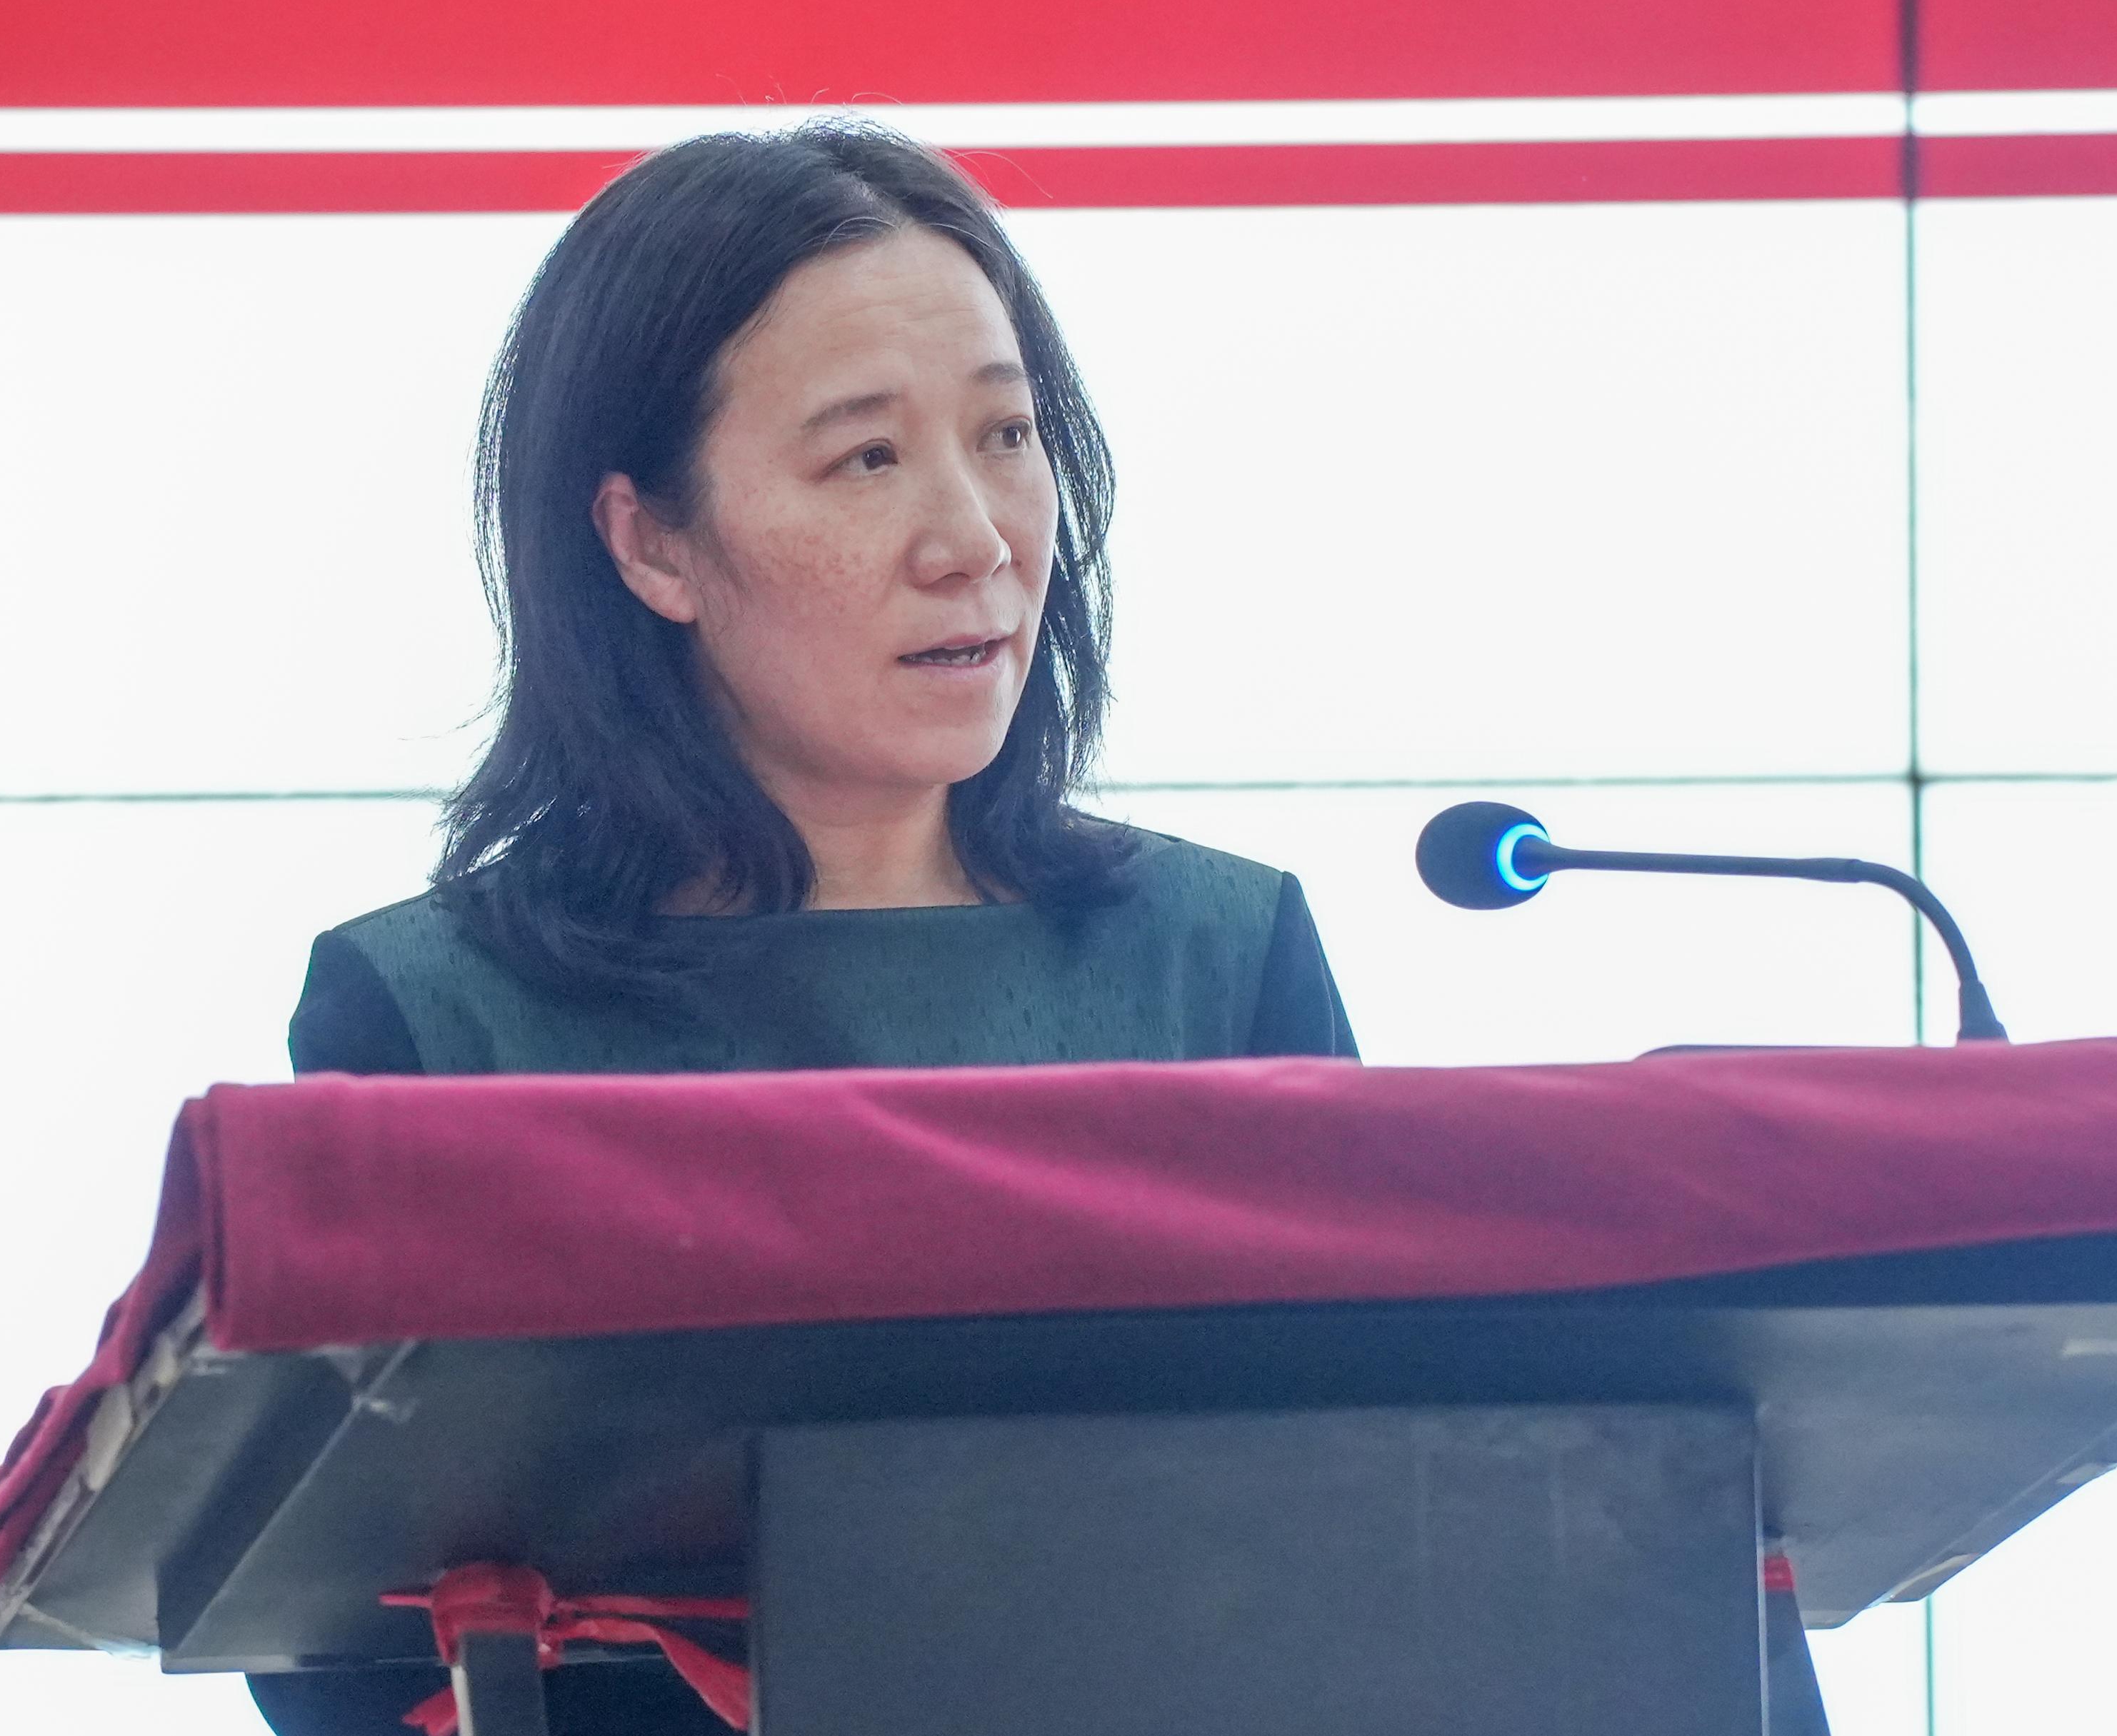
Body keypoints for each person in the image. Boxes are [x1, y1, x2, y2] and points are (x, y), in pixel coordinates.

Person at [250, 119, 1354, 1736]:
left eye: (1007, 434)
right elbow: (344, 1652)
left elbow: (1359, 1536)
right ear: (651, 542)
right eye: (867, 459)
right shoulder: (435, 1014)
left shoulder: (1219, 954)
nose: (976, 538)